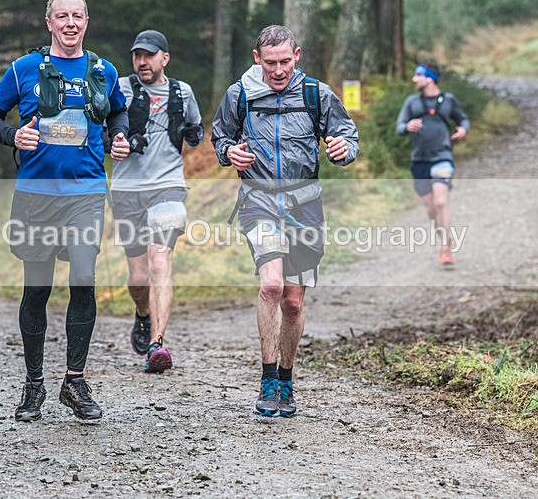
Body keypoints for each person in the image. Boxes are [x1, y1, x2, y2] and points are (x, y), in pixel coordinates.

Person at [0, 0, 130, 422]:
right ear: (49, 22)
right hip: (36, 195)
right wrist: (13, 136)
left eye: (77, 16)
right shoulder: (24, 68)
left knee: (83, 277)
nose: (69, 24)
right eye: (61, 16)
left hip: (85, 192)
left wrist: (118, 138)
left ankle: (75, 381)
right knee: (37, 289)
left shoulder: (104, 69)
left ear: (86, 21)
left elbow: (119, 115)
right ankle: (33, 386)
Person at [212, 25, 358, 417]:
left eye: (285, 62)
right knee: (271, 286)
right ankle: (267, 379)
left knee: (293, 302)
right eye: (270, 63)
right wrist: (230, 153)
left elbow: (345, 136)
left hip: (305, 206)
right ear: (257, 59)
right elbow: (220, 137)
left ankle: (288, 380)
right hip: (259, 200)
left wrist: (343, 149)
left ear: (297, 55)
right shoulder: (240, 94)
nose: (278, 71)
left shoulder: (316, 94)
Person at [112, 30, 204, 373]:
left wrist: (194, 135)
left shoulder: (182, 92)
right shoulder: (120, 88)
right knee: (138, 275)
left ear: (164, 58)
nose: (141, 62)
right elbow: (103, 130)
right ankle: (142, 313)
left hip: (168, 187)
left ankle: (157, 344)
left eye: (149, 55)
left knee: (160, 259)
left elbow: (195, 127)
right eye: (137, 55)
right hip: (126, 190)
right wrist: (118, 139)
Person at [395, 62, 469, 269]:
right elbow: (399, 127)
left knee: (440, 202)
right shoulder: (412, 102)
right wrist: (408, 126)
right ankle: (446, 238)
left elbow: (463, 120)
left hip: (442, 157)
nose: (414, 79)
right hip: (419, 161)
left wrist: (463, 129)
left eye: (418, 75)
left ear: (430, 78)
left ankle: (446, 249)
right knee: (430, 210)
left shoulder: (448, 101)